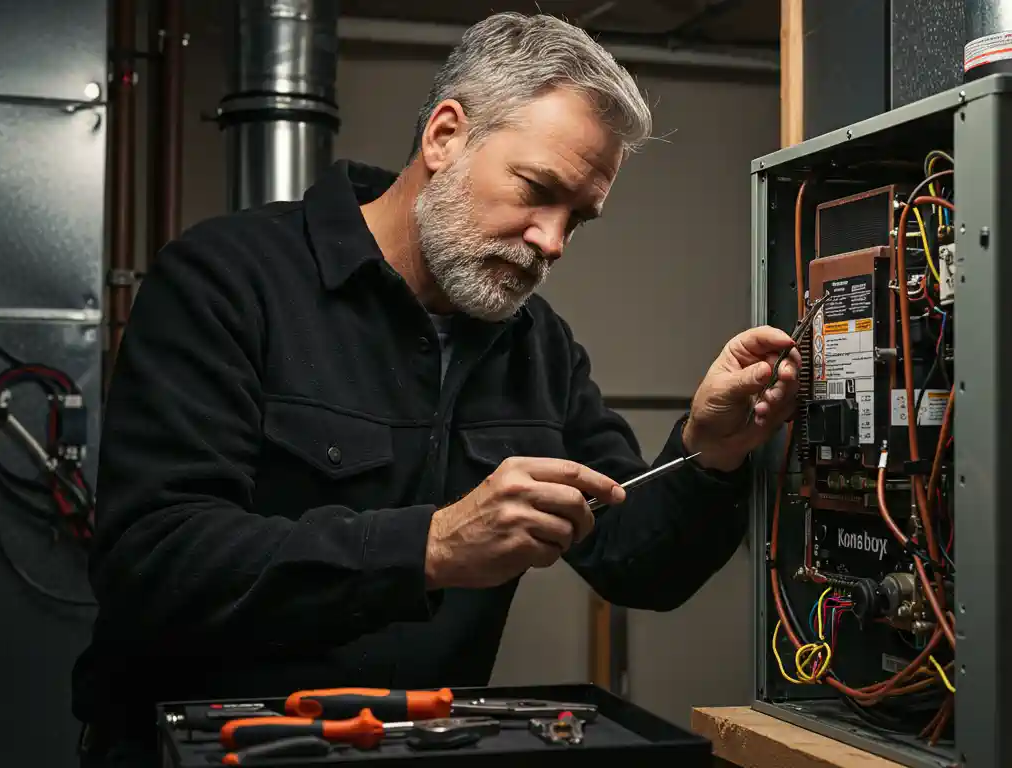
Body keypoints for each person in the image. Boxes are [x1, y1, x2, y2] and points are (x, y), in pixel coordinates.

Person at [73, 11, 802, 766]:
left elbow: (637, 558)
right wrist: (428, 546)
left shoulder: (537, 347)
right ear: (445, 136)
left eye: (577, 220)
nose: (551, 242)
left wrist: (710, 452)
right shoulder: (225, 282)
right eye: (536, 190)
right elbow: (152, 560)